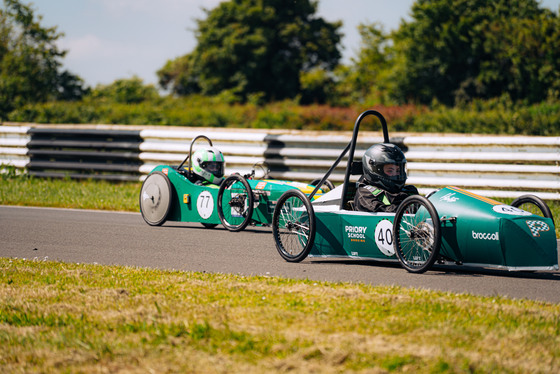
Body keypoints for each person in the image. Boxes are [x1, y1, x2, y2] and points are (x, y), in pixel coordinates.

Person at [354, 143, 418, 212]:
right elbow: (384, 213)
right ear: (375, 170)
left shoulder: (409, 191)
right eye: (390, 171)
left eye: (398, 170)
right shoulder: (365, 194)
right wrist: (410, 209)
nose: (396, 174)